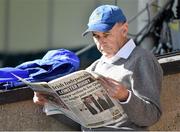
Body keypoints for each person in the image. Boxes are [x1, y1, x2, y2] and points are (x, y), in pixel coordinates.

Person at [33, 5, 163, 131]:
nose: (101, 42)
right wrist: (49, 105)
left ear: (124, 30)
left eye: (106, 35)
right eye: (96, 36)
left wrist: (125, 96)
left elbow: (151, 117)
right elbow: (82, 124)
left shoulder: (141, 59)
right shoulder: (94, 68)